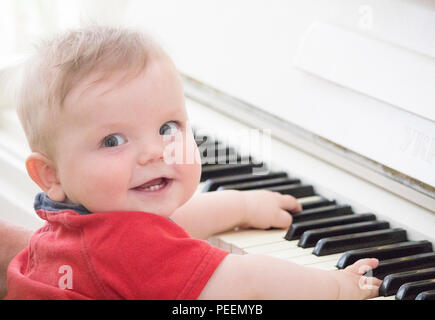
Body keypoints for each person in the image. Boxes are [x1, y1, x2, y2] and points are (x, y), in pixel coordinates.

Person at [5, 26, 381, 300]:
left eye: (168, 127)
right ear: (50, 175)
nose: (155, 152)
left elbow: (161, 228)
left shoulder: (80, 223)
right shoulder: (126, 250)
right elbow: (246, 279)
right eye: (112, 140)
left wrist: (242, 205)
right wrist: (336, 287)